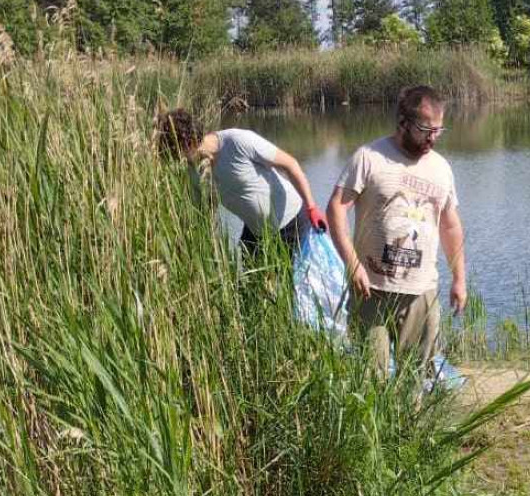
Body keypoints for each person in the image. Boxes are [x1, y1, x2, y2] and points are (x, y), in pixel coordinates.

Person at [326, 85, 467, 379]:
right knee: (370, 377)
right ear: (402, 122)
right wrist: (352, 266)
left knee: (414, 376)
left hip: (420, 292)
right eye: (425, 129)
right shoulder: (369, 157)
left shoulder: (441, 168)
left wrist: (459, 279)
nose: (432, 138)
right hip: (371, 290)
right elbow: (336, 209)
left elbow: (450, 225)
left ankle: (413, 425)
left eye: (439, 130)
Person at [154, 109, 328, 255]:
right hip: (256, 232)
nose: (178, 160)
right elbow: (202, 210)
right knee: (249, 291)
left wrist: (311, 207)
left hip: (292, 223)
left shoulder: (237, 141)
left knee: (298, 290)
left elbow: (291, 164)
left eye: (177, 153)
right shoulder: (195, 169)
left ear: (189, 142)